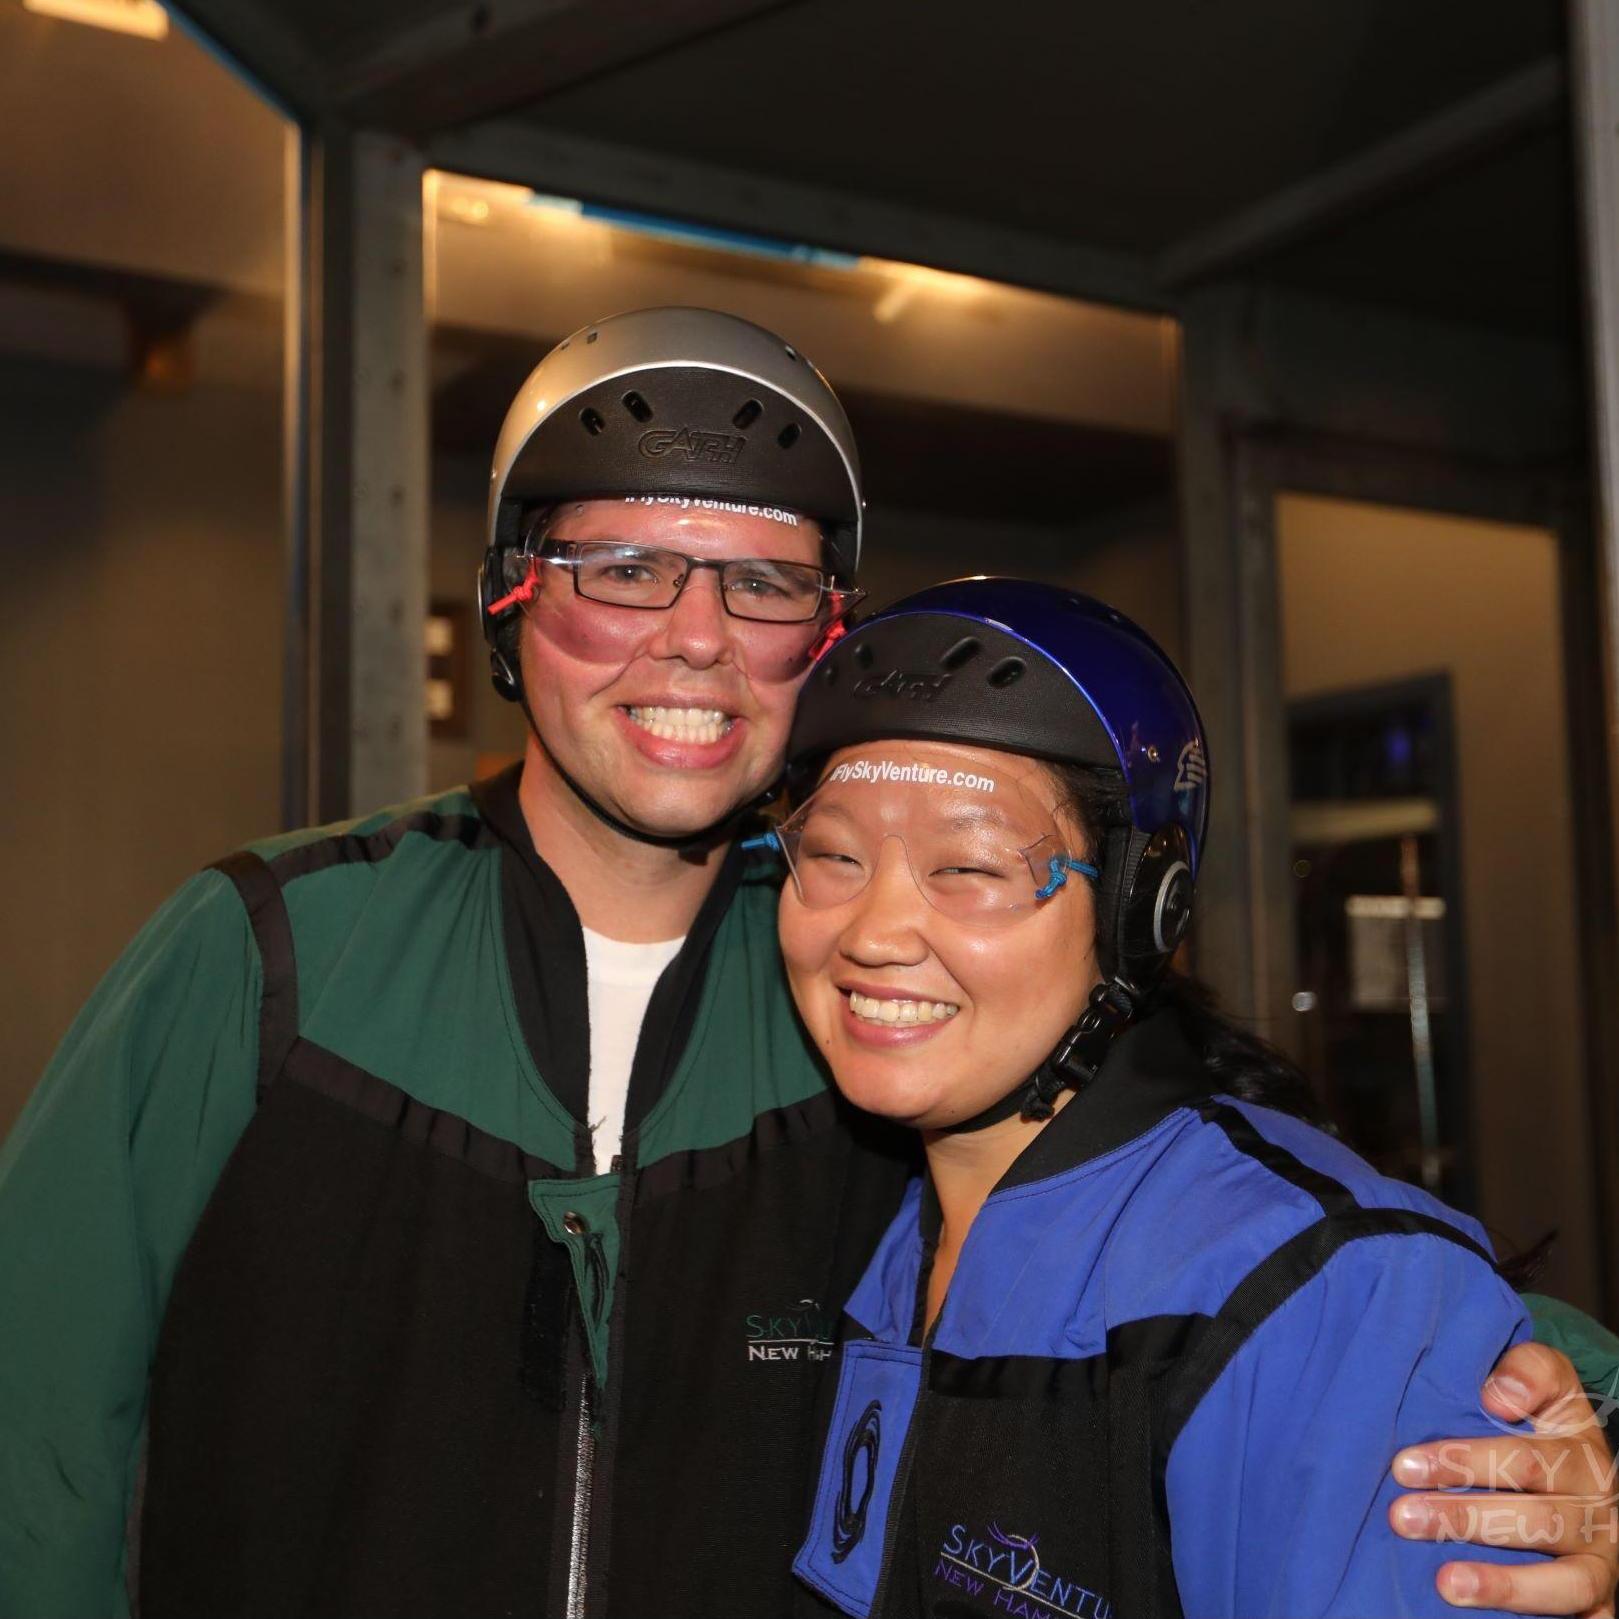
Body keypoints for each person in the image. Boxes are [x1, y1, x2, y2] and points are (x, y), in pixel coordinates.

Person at [0, 311, 1611, 1619]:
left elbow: (1272, 1242)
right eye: (619, 565)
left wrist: (1580, 1427)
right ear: (507, 596)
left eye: (761, 579)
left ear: (822, 635)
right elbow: (32, 1450)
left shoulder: (886, 989)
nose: (692, 632)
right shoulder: (267, 955)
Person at [774, 577, 1619, 1618]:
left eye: (970, 867)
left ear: (1140, 909)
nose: (874, 929)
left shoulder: (1304, 1285)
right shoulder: (892, 1235)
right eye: (831, 855)